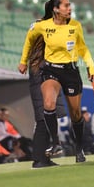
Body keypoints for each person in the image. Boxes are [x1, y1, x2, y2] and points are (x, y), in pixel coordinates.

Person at [18, 0, 94, 163]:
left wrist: (90, 66)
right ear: (56, 9)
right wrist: (23, 61)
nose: (70, 8)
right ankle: (56, 143)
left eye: (69, 5)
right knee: (48, 103)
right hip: (51, 70)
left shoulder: (75, 26)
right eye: (66, 5)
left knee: (75, 114)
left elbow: (83, 48)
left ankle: (79, 148)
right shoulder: (42, 26)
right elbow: (29, 40)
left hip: (71, 72)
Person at [26, 11, 67, 168]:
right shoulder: (39, 58)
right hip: (42, 91)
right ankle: (38, 159)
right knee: (42, 123)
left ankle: (44, 157)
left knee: (47, 123)